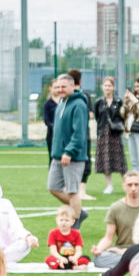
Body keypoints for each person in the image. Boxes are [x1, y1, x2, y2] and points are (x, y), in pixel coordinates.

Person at [46, 77, 91, 221]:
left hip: (72, 157)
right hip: (57, 156)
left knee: (72, 191)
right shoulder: (62, 102)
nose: (60, 90)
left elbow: (79, 133)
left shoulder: (79, 104)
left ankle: (75, 222)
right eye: (58, 87)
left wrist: (69, 151)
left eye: (63, 87)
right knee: (53, 187)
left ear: (73, 86)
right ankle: (78, 211)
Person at [93, 171, 139, 273]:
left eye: (136, 184)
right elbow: (108, 237)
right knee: (99, 259)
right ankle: (135, 262)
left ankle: (129, 261)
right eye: (129, 185)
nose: (133, 188)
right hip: (120, 251)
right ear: (124, 186)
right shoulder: (115, 208)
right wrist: (98, 249)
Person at [91, 73, 128, 185]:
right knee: (105, 160)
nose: (107, 88)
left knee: (120, 161)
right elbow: (97, 117)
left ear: (113, 87)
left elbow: (122, 117)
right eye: (105, 85)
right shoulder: (98, 102)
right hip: (103, 133)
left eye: (109, 85)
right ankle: (109, 185)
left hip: (115, 134)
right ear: (102, 87)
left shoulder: (118, 101)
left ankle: (125, 183)